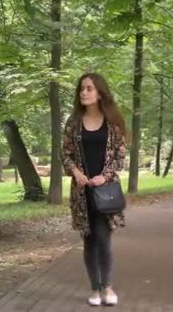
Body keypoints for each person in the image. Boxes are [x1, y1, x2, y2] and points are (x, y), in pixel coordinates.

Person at [62, 73, 127, 306]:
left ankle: (108, 288)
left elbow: (120, 156)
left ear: (100, 92)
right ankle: (95, 290)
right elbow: (66, 154)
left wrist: (105, 176)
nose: (84, 92)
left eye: (89, 88)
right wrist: (76, 173)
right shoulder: (73, 122)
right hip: (81, 192)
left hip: (106, 190)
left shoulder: (113, 122)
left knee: (103, 238)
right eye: (81, 88)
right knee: (89, 240)